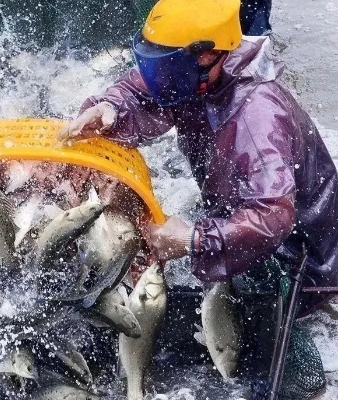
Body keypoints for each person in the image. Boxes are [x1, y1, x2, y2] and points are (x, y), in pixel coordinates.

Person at [59, 0, 336, 397]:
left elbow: (273, 216)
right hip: (231, 208)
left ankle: (295, 324)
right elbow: (140, 90)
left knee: (276, 358)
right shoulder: (192, 76)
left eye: (164, 67)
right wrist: (109, 108)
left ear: (209, 54)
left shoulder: (256, 115)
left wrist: (192, 240)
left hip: (301, 256)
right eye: (151, 61)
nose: (156, 76)